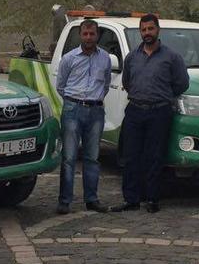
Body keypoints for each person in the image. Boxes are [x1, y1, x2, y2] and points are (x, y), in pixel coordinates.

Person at [110, 14, 189, 213]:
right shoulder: (132, 57)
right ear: (140, 32)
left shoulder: (172, 57)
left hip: (159, 112)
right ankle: (131, 199)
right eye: (144, 30)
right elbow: (127, 82)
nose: (147, 33)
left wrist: (162, 96)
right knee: (130, 156)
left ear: (158, 30)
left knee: (154, 157)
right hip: (135, 110)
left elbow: (181, 83)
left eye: (150, 29)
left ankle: (153, 199)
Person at [54, 19, 112, 214]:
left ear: (97, 35)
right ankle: (65, 201)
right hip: (73, 109)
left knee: (92, 157)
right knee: (69, 157)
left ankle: (92, 199)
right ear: (80, 35)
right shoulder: (69, 58)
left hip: (96, 111)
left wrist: (94, 100)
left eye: (92, 34)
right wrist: (75, 101)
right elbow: (60, 86)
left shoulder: (105, 58)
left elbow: (105, 84)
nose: (89, 38)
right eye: (85, 34)